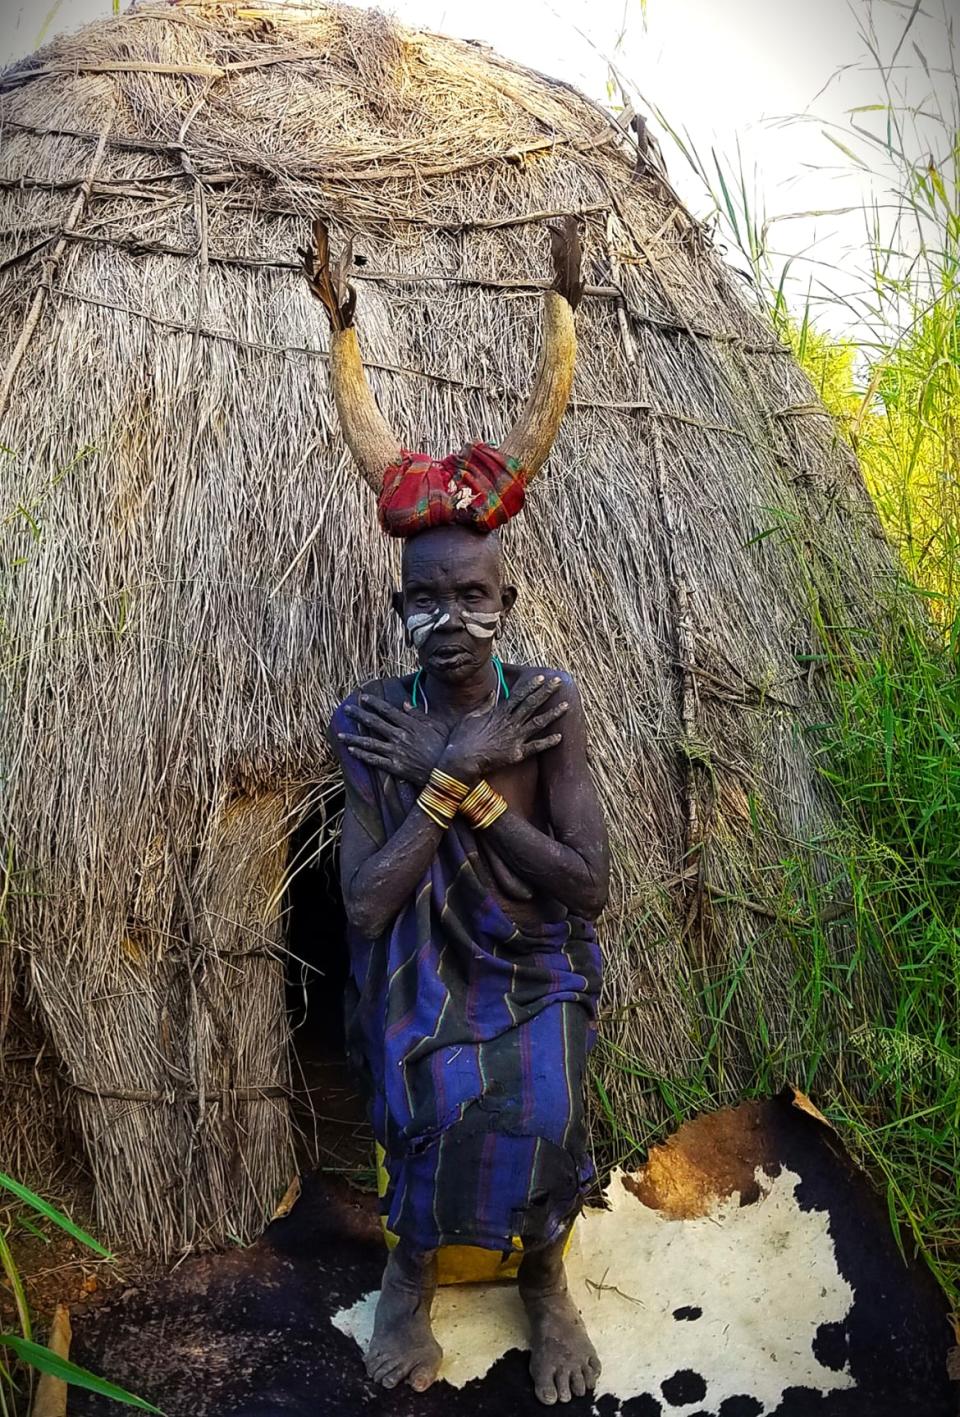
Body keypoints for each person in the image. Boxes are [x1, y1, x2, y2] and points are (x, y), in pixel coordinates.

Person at [306, 218, 609, 1406]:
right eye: (426, 596)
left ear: (507, 596)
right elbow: (372, 905)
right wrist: (444, 771)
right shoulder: (369, 722)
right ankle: (411, 1273)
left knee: (545, 1099)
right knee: (423, 1094)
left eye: (471, 593)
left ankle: (547, 1274)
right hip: (420, 968)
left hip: (534, 959)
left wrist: (479, 783)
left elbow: (588, 884)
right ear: (400, 605)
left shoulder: (548, 706)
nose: (450, 616)